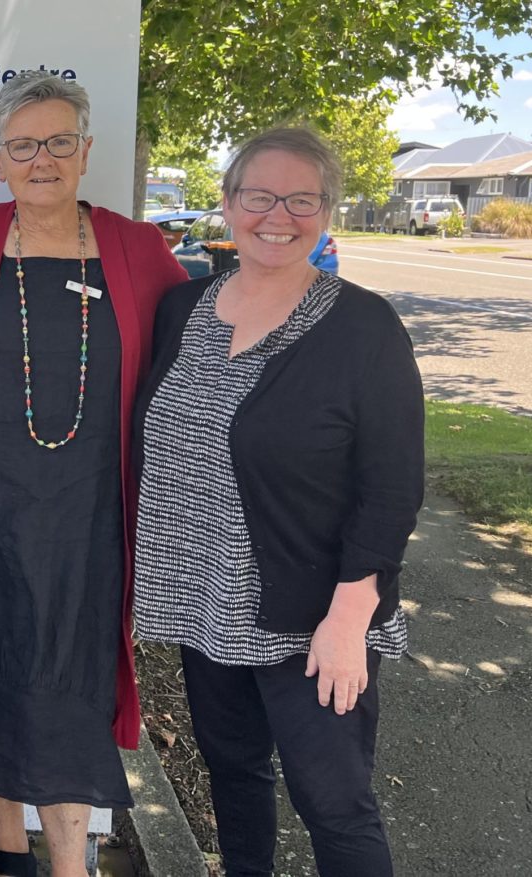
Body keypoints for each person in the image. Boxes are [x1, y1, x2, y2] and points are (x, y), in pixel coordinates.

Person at [0, 71, 188, 877]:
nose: (43, 159)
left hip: (90, 518)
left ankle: (69, 865)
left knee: (68, 689)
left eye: (60, 141)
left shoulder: (140, 250)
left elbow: (181, 373)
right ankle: (7, 855)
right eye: (23, 145)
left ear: (87, 151)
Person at [132, 127, 424, 877]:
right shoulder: (181, 308)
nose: (278, 215)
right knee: (234, 777)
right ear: (228, 204)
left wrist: (350, 616)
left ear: (326, 211)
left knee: (335, 803)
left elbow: (392, 486)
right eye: (260, 195)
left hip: (315, 615)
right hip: (207, 602)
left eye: (302, 199)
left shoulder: (364, 328)